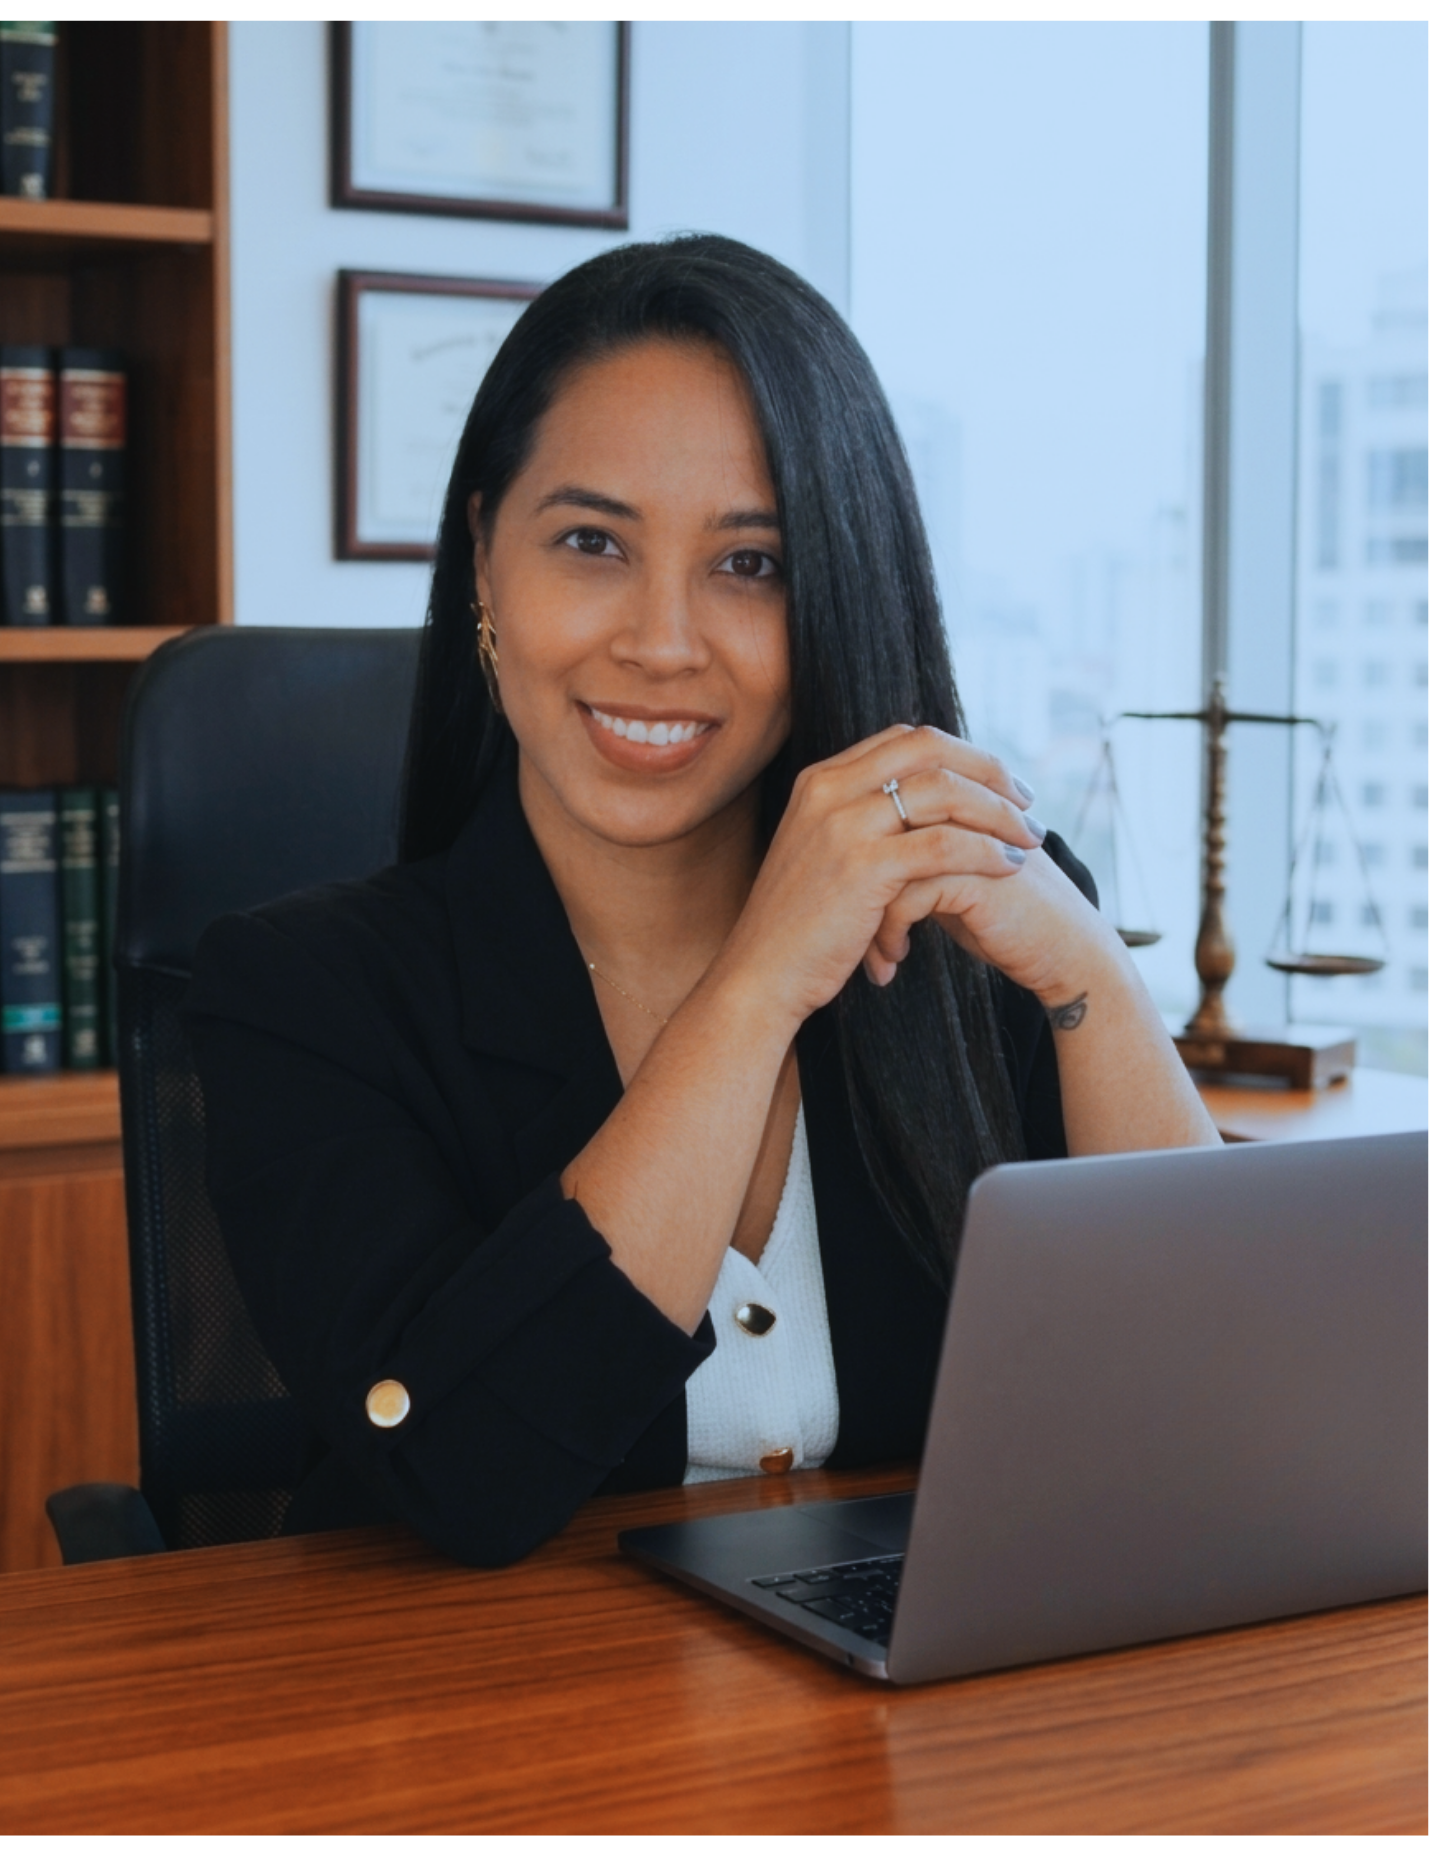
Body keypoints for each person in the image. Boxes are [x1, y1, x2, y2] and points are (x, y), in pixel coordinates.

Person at [183, 235, 1219, 1565]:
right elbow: (466, 1473)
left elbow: (1202, 1427)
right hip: (471, 1735)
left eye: (752, 565)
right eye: (590, 541)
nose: (662, 641)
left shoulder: (967, 940)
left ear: (836, 598)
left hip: (910, 1737)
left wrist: (1098, 987)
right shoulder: (302, 1000)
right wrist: (756, 987)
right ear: (485, 565)